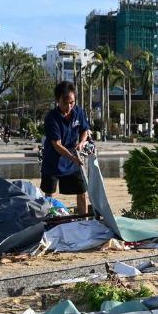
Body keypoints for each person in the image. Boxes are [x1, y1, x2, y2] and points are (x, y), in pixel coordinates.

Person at [41, 81, 91, 215]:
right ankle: (49, 218)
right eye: (65, 102)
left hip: (73, 160)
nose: (69, 106)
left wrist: (81, 142)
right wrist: (73, 158)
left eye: (72, 102)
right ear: (57, 100)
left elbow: (85, 130)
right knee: (49, 194)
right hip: (53, 161)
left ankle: (84, 219)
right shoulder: (51, 118)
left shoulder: (79, 112)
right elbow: (57, 145)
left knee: (82, 191)